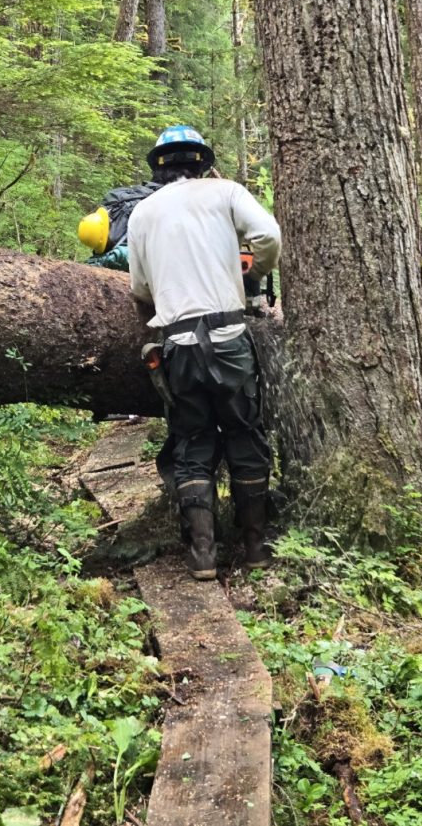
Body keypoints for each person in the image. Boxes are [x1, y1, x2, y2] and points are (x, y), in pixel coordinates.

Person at [128, 125, 281, 580]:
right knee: (244, 433)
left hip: (178, 343)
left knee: (193, 442)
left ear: (160, 167)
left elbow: (140, 287)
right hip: (230, 335)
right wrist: (254, 274)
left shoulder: (142, 213)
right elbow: (268, 235)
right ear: (200, 161)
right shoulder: (227, 191)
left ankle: (202, 554)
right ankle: (254, 547)